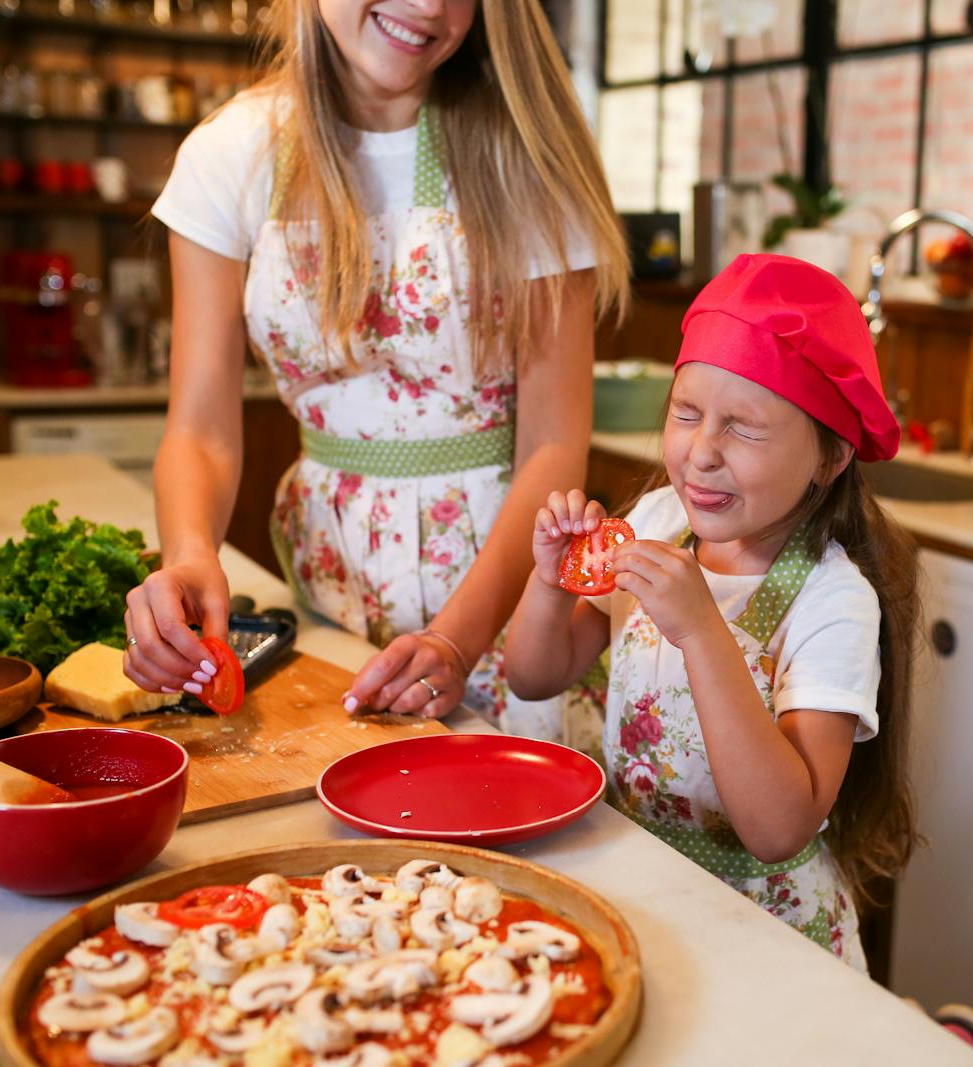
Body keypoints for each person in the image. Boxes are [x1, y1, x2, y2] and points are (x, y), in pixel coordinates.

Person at [122, 0, 628, 746]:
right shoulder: (232, 154)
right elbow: (200, 430)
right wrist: (191, 552)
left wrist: (457, 639)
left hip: (508, 616)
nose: (428, 6)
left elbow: (554, 447)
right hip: (329, 592)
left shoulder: (526, 153)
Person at [504, 253, 921, 968]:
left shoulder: (832, 603)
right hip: (644, 890)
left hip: (763, 933)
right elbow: (534, 675)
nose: (701, 453)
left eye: (745, 428)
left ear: (831, 455)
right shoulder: (661, 519)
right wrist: (548, 581)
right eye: (687, 413)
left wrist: (702, 630)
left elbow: (779, 826)